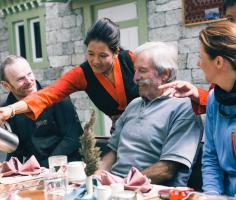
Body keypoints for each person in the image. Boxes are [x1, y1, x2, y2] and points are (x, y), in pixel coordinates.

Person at [0, 18, 138, 130]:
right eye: (90, 53)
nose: (95, 61)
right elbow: (48, 94)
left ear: (116, 52)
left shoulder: (132, 60)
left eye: (103, 55)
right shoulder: (82, 74)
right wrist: (11, 109)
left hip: (151, 125)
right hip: (121, 132)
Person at [99, 42, 203, 187]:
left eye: (142, 71)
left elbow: (166, 169)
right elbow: (112, 151)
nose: (135, 78)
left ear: (165, 74)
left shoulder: (184, 108)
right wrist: (96, 177)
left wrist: (123, 184)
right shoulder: (134, 105)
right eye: (135, 70)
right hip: (117, 188)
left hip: (151, 191)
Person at [0, 55, 83, 167]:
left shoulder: (56, 97)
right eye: (20, 79)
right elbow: (16, 150)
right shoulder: (7, 108)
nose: (29, 81)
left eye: (29, 74)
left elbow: (73, 137)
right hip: (35, 172)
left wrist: (45, 166)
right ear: (6, 85)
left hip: (69, 167)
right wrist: (9, 169)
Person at [158, 0, 236, 115]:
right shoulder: (224, 72)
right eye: (230, 19)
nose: (233, 26)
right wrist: (196, 93)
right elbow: (222, 101)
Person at [198, 21, 236, 196]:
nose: (198, 63)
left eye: (201, 57)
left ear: (219, 61)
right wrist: (212, 195)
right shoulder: (213, 99)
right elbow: (211, 158)